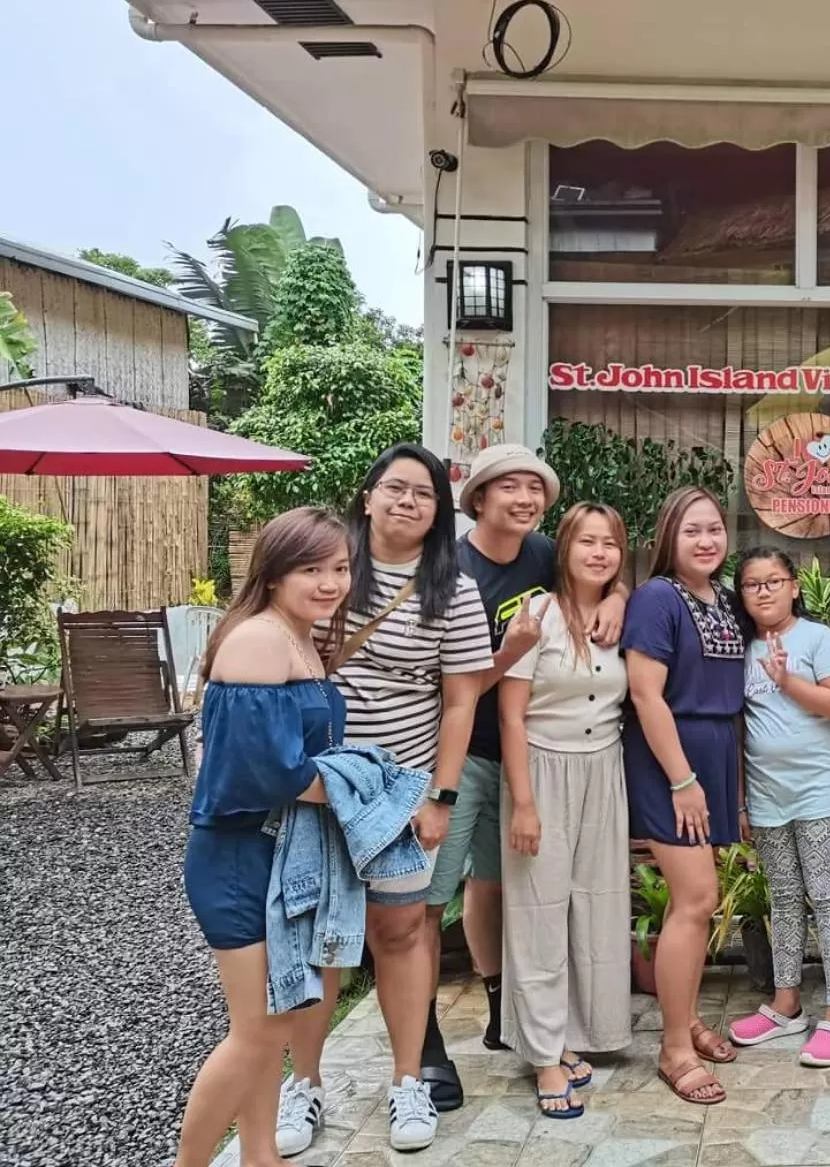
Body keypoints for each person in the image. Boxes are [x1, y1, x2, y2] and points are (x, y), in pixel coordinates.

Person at [280, 444, 493, 1156]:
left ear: (439, 513)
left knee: (400, 933)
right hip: (313, 788)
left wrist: (440, 797)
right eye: (394, 489)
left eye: (424, 494)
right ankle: (303, 1085)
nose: (407, 502)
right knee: (318, 935)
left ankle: (408, 1080)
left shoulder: (453, 590)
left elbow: (461, 703)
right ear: (366, 496)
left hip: (400, 792)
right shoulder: (324, 566)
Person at [417, 443, 625, 1112]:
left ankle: (508, 1007)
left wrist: (617, 593)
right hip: (455, 750)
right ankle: (420, 1041)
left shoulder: (541, 554)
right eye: (510, 487)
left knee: (496, 885)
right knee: (426, 898)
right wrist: (509, 655)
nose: (526, 499)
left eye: (535, 489)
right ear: (478, 496)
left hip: (523, 758)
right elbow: (449, 680)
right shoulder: (447, 566)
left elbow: (593, 570)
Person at [176, 507, 351, 1167]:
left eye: (338, 567)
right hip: (240, 857)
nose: (330, 582)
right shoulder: (260, 640)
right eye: (311, 568)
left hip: (279, 855)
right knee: (259, 1031)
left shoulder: (300, 638)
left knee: (266, 1028)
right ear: (274, 573)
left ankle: (259, 1156)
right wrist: (364, 789)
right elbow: (268, 771)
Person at [497, 502, 634, 1119]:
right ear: (565, 550)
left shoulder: (619, 618)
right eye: (587, 542)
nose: (599, 553)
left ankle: (580, 1032)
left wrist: (621, 596)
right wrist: (523, 803)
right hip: (541, 769)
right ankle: (544, 1055)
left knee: (597, 903)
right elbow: (509, 713)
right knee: (538, 912)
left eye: (610, 544)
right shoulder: (535, 616)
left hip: (604, 769)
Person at [621, 486, 748, 1106]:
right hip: (671, 758)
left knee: (694, 903)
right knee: (696, 898)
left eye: (715, 529)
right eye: (693, 530)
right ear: (669, 536)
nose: (707, 540)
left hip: (714, 752)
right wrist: (681, 779)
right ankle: (674, 1047)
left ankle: (688, 1016)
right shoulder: (655, 597)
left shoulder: (722, 599)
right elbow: (645, 694)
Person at [723, 547, 830, 1068]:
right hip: (765, 795)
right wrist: (739, 800)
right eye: (752, 584)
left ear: (795, 586)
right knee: (782, 898)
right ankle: (786, 1004)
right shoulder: (740, 647)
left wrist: (787, 681)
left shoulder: (815, 638)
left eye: (773, 581)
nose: (762, 591)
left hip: (817, 792)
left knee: (826, 895)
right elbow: (738, 728)